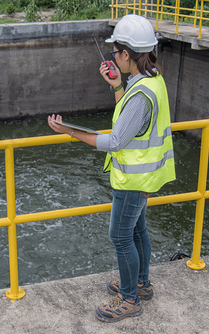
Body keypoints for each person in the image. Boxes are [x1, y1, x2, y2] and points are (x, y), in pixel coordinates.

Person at [48, 14, 176, 322]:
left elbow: (117, 139)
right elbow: (131, 122)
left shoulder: (141, 94)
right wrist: (117, 85)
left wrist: (71, 132)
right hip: (144, 174)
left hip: (133, 178)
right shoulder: (151, 79)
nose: (113, 57)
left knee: (120, 236)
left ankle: (129, 299)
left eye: (115, 52)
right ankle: (141, 283)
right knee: (137, 230)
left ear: (127, 54)